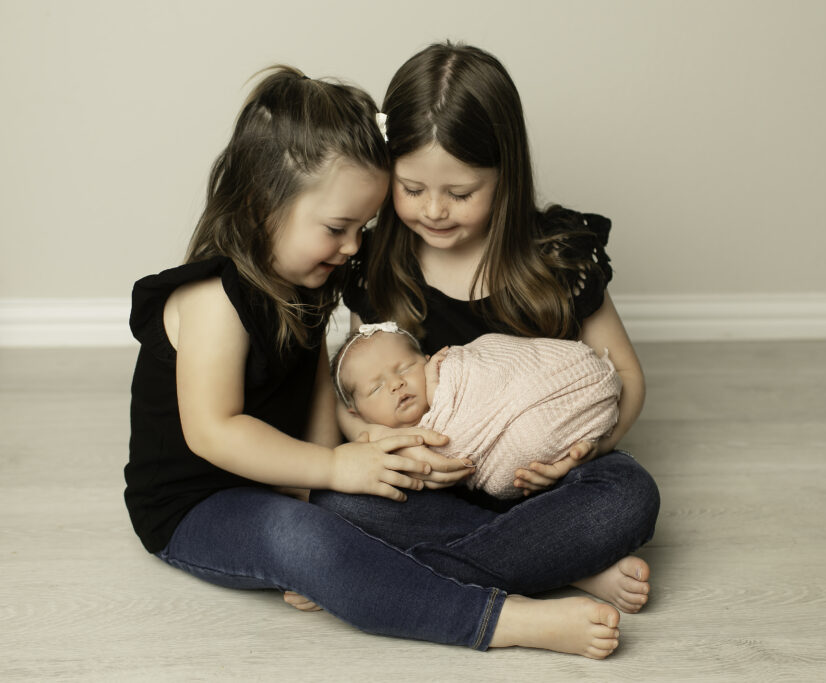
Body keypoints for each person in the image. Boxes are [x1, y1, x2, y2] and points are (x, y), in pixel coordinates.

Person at [123, 65, 625, 659]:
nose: (355, 247)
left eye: (364, 227)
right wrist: (331, 471)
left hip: (292, 475)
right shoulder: (210, 300)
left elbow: (315, 387)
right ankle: (505, 617)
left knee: (375, 502)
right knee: (310, 540)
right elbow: (214, 432)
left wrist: (325, 474)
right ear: (263, 203)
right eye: (339, 227)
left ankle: (548, 555)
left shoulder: (307, 279)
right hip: (199, 504)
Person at [310, 42, 660, 616]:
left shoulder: (559, 255)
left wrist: (588, 450)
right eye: (412, 189)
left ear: (505, 173)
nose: (434, 211)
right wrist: (374, 441)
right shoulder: (378, 266)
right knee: (333, 496)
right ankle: (564, 564)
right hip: (436, 484)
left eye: (461, 193)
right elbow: (358, 384)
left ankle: (408, 574)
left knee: (630, 496)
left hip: (544, 479)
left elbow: (624, 374)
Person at [332, 322, 622, 499]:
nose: (396, 383)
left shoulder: (450, 371)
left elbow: (495, 360)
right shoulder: (378, 443)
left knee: (627, 491)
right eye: (376, 388)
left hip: (554, 395)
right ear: (356, 412)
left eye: (406, 368)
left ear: (428, 359)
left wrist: (439, 390)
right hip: (493, 480)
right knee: (352, 501)